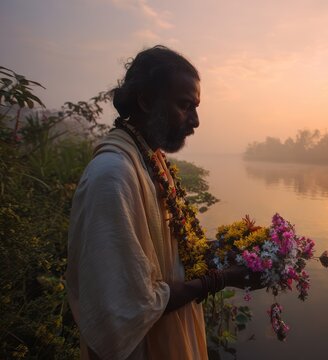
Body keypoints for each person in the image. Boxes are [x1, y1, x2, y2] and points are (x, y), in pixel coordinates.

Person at [66, 45, 260, 360]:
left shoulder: (151, 159)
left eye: (196, 107)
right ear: (145, 100)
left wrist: (226, 252)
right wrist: (223, 278)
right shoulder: (113, 176)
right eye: (185, 106)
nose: (196, 121)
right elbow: (127, 307)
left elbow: (167, 256)